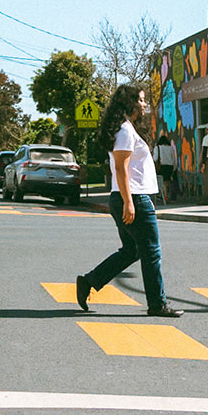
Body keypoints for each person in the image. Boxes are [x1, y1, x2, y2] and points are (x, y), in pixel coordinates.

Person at [75, 83, 182, 318]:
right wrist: (129, 201)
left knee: (132, 250)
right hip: (131, 197)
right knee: (151, 251)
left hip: (133, 196)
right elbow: (121, 168)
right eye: (142, 100)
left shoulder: (128, 129)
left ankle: (89, 281)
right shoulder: (125, 131)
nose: (144, 104)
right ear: (131, 103)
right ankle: (157, 304)